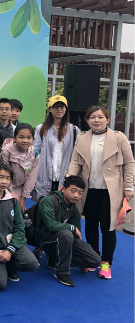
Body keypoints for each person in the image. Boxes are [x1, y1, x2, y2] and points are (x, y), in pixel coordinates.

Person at [66, 105, 134, 279]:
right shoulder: (82, 138)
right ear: (87, 120)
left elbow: (129, 162)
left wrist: (129, 186)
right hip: (88, 189)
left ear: (107, 119)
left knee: (108, 227)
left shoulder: (118, 137)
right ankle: (93, 258)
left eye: (100, 117)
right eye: (92, 117)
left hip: (110, 191)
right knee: (90, 225)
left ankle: (106, 263)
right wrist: (68, 180)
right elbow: (75, 161)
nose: (96, 120)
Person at [35, 176, 101, 287]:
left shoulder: (73, 209)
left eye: (80, 193)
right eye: (73, 191)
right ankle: (61, 272)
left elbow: (76, 236)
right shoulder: (49, 200)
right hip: (44, 239)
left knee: (95, 260)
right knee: (66, 234)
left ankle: (55, 259)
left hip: (64, 239)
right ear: (63, 189)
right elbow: (51, 225)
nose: (76, 195)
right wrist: (72, 228)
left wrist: (83, 259)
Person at [0, 164, 39, 290]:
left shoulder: (13, 200)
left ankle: (10, 265)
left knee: (32, 263)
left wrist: (9, 250)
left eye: (7, 178)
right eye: (0, 177)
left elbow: (20, 228)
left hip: (10, 245)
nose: (4, 181)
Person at [33, 95, 80, 200]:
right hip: (44, 176)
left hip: (64, 176)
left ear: (66, 109)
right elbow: (35, 151)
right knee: (43, 205)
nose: (59, 109)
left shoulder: (74, 130)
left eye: (62, 107)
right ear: (50, 109)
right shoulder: (41, 129)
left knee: (61, 205)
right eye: (55, 107)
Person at [0, 123, 39, 213]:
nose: (25, 141)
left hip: (24, 190)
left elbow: (31, 177)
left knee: (21, 212)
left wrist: (24, 197)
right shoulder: (6, 152)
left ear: (33, 139)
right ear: (14, 138)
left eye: (29, 137)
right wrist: (9, 192)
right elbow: (4, 174)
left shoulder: (34, 154)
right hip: (8, 188)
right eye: (21, 137)